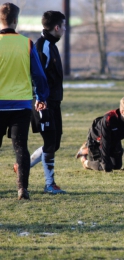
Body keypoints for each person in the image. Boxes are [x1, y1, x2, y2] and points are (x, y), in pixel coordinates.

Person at [0, 3, 49, 200]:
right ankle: (22, 188)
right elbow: (38, 74)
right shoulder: (26, 44)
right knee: (20, 146)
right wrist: (41, 97)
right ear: (16, 21)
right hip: (20, 105)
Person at [29, 11, 66, 194]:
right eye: (64, 26)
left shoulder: (50, 45)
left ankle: (23, 167)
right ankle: (49, 184)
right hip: (44, 102)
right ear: (57, 27)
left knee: (55, 142)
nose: (65, 30)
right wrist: (39, 99)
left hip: (53, 101)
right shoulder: (42, 46)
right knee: (50, 141)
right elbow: (36, 75)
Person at [76, 96, 124, 172]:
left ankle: (87, 150)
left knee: (117, 166)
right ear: (122, 112)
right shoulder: (109, 119)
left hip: (114, 140)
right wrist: (106, 165)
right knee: (103, 166)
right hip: (97, 141)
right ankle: (85, 159)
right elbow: (104, 143)